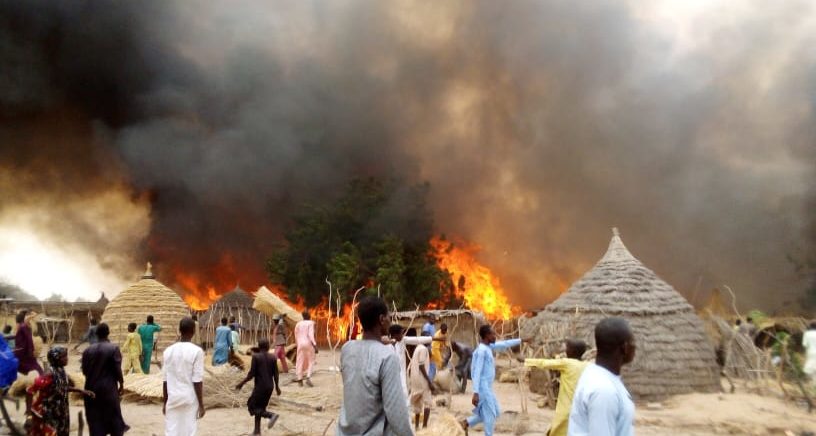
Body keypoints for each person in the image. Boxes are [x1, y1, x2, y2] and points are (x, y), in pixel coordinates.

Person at [337, 296, 412, 436]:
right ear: (382, 319)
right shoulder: (387, 357)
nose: (390, 321)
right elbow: (395, 412)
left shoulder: (347, 349)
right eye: (389, 317)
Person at [568, 317, 636, 436]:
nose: (635, 347)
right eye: (633, 343)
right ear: (624, 347)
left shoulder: (596, 375)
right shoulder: (604, 390)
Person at [460, 325, 524, 436]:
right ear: (486, 336)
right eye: (493, 334)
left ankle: (466, 423)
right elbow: (477, 372)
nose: (495, 336)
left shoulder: (489, 347)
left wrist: (521, 340)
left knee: (495, 412)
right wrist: (475, 392)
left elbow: (505, 344)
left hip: (488, 388)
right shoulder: (481, 351)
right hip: (482, 388)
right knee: (489, 415)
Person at [524, 339, 589, 436]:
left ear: (572, 351)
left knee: (556, 431)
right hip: (581, 410)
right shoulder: (587, 365)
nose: (565, 350)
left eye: (567, 348)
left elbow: (544, 363)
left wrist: (526, 361)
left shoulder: (566, 363)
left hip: (565, 410)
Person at [27, 347, 95, 436]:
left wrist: (81, 391)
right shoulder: (49, 374)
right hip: (49, 412)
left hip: (61, 411)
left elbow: (62, 387)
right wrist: (28, 414)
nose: (67, 359)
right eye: (64, 357)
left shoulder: (61, 370)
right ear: (57, 358)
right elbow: (30, 391)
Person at [81, 322, 129, 436]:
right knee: (114, 419)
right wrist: (121, 384)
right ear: (108, 333)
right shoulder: (113, 348)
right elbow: (117, 370)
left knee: (95, 420)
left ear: (96, 334)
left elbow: (84, 371)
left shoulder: (87, 351)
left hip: (91, 389)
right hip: (109, 390)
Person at [163, 317, 205, 436]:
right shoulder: (197, 351)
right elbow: (197, 381)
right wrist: (201, 405)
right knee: (188, 431)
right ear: (193, 331)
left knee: (171, 431)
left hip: (172, 397)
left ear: (179, 330)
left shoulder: (168, 351)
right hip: (189, 398)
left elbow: (165, 380)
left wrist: (165, 402)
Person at [236, 338, 281, 434]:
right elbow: (276, 374)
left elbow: (251, 374)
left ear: (259, 347)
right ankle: (257, 431)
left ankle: (271, 415)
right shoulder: (273, 357)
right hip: (270, 386)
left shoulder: (256, 357)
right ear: (268, 347)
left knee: (251, 405)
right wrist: (277, 387)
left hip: (260, 387)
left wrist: (241, 383)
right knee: (260, 408)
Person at [388, 324, 433, 400]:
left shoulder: (402, 341)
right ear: (395, 335)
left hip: (401, 374)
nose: (403, 335)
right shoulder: (386, 346)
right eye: (401, 333)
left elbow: (418, 340)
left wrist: (435, 338)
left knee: (404, 395)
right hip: (390, 376)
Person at [409, 332, 436, 430]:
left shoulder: (417, 348)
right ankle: (424, 427)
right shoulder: (424, 349)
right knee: (427, 402)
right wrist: (429, 381)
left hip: (415, 379)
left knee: (417, 402)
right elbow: (421, 366)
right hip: (422, 379)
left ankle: (416, 426)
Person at [14, 310, 42, 375]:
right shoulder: (24, 327)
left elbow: (27, 340)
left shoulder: (22, 327)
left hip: (23, 353)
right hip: (26, 352)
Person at [294, 310, 317, 387]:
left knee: (299, 361)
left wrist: (298, 344)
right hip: (308, 343)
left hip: (300, 344)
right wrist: (315, 344)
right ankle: (308, 377)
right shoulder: (311, 323)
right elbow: (311, 335)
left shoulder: (298, 324)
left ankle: (299, 379)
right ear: (309, 316)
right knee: (311, 360)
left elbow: (296, 335)